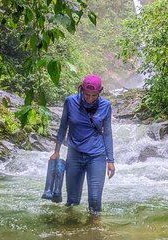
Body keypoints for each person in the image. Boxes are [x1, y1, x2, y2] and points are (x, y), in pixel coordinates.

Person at [49, 74, 115, 214]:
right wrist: (56, 151)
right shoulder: (70, 102)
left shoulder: (105, 106)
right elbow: (63, 127)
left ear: (100, 92)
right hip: (74, 155)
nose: (90, 99)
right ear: (81, 89)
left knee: (95, 201)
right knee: (72, 201)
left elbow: (107, 133)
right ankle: (72, 230)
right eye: (86, 94)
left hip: (97, 156)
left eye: (94, 95)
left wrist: (111, 160)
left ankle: (94, 230)